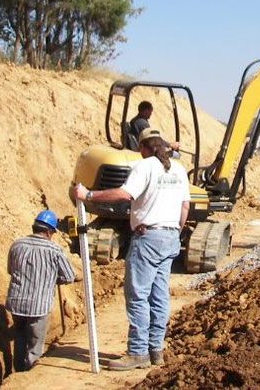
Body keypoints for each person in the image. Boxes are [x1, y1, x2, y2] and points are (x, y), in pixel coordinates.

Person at [73, 128, 190, 370]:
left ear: (144, 147)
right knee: (159, 296)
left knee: (138, 295)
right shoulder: (179, 170)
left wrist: (89, 195)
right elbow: (185, 206)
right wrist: (174, 231)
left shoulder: (145, 166)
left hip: (148, 238)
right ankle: (155, 350)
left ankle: (137, 352)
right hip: (170, 237)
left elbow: (124, 194)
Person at [5, 210, 76, 372]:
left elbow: (11, 270)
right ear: (50, 232)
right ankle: (29, 374)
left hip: (16, 303)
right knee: (35, 345)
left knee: (20, 337)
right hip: (39, 305)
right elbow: (69, 276)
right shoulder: (54, 250)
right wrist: (52, 278)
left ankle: (18, 372)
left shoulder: (17, 244)